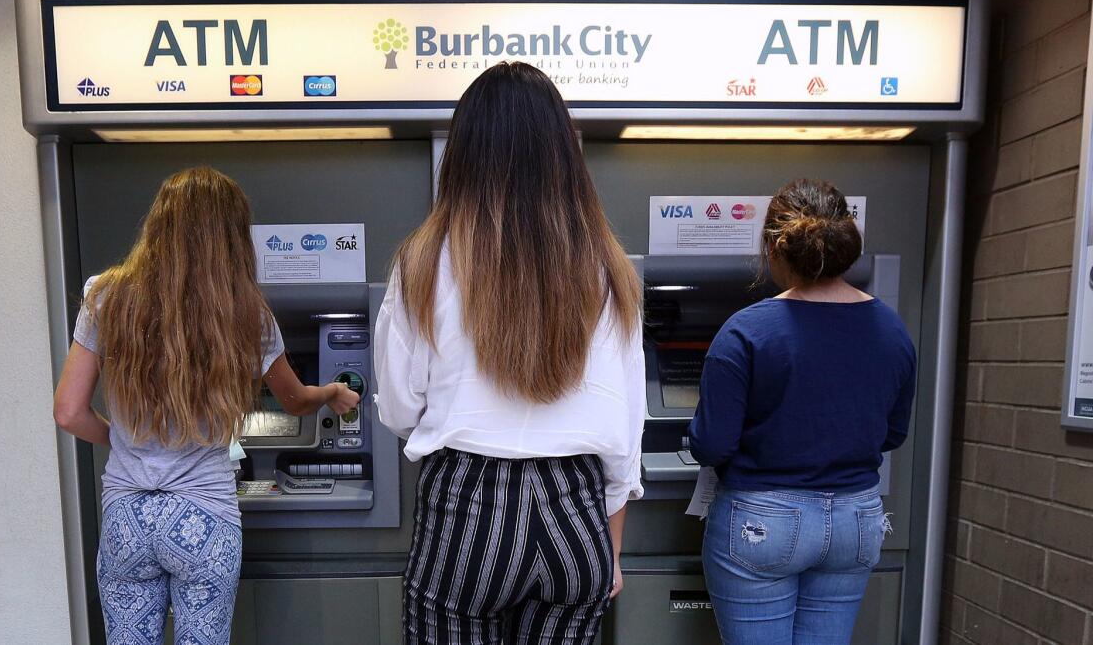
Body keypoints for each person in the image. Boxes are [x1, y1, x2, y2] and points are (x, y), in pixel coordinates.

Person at [374, 62, 645, 645]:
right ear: (562, 153)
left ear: (464, 151)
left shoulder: (423, 262)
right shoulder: (609, 269)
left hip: (466, 510)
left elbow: (398, 410)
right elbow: (626, 427)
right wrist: (612, 550)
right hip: (576, 514)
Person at [52, 166, 359, 645]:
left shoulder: (106, 296)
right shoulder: (248, 314)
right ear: (233, 238)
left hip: (126, 516)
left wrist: (124, 440)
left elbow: (68, 412)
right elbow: (295, 401)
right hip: (203, 516)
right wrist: (333, 392)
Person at [687, 179, 916, 645]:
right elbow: (892, 434)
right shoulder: (892, 328)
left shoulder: (746, 331)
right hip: (856, 518)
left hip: (763, 520)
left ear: (774, 246)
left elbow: (712, 444)